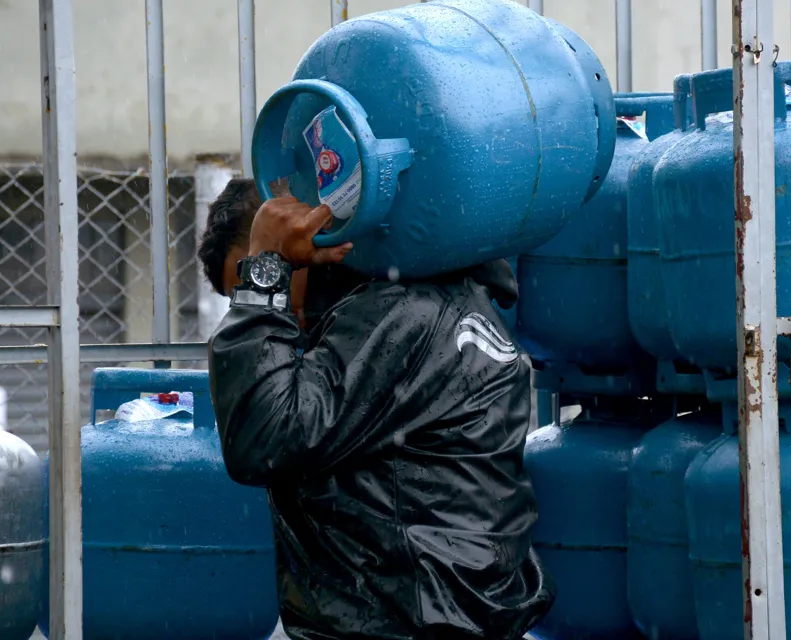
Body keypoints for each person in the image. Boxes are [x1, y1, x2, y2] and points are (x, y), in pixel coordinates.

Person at [198, 178, 554, 640]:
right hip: (436, 611)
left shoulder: (402, 312)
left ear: (309, 237)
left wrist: (265, 273)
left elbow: (262, 440)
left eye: (283, 281)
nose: (284, 310)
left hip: (414, 622)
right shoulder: (430, 293)